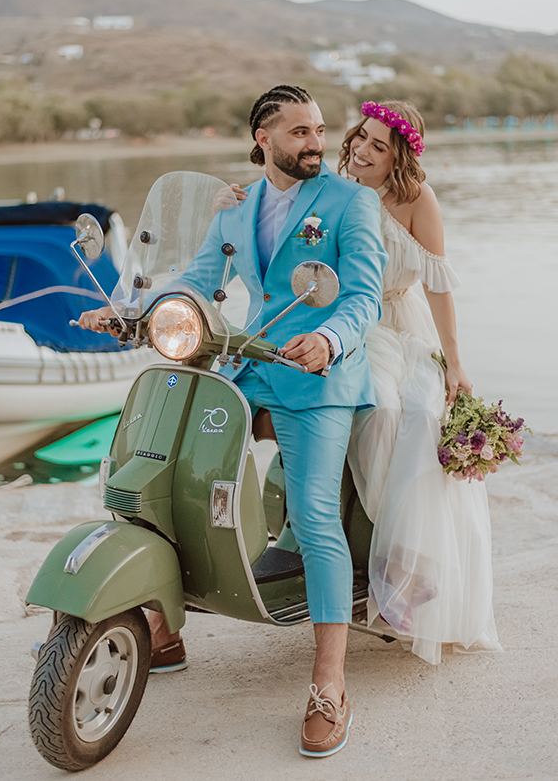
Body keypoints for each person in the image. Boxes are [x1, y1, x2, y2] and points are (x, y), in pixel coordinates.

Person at [78, 85, 388, 757]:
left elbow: (364, 295)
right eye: (299, 131)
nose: (315, 141)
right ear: (264, 138)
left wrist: (331, 339)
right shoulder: (237, 208)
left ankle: (329, 686)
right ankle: (163, 619)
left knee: (312, 515)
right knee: (165, 473)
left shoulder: (349, 201)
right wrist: (136, 313)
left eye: (318, 129)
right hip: (248, 364)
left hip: (320, 372)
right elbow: (194, 277)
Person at [338, 100, 502, 665]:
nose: (362, 148)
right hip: (346, 327)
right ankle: (401, 556)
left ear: (398, 156)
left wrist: (455, 361)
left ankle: (412, 565)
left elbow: (438, 285)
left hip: (398, 326)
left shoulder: (416, 200)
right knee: (379, 410)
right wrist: (236, 198)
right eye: (362, 137)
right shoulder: (333, 188)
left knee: (418, 411)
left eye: (378, 145)